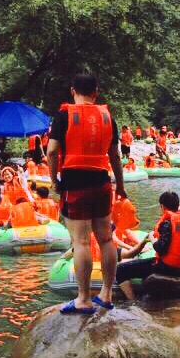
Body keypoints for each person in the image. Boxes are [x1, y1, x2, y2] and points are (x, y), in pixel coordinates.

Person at [46, 72, 126, 317]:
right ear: (96, 92)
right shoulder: (107, 116)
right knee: (106, 239)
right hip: (102, 181)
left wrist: (54, 180)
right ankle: (107, 294)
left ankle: (83, 300)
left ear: (73, 91)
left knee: (80, 241)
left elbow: (51, 152)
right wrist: (120, 186)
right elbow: (115, 156)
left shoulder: (64, 115)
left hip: (75, 183)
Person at [115, 192, 180, 300]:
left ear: (162, 206)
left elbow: (160, 249)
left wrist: (152, 239)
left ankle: (132, 301)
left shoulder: (167, 223)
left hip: (166, 267)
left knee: (121, 269)